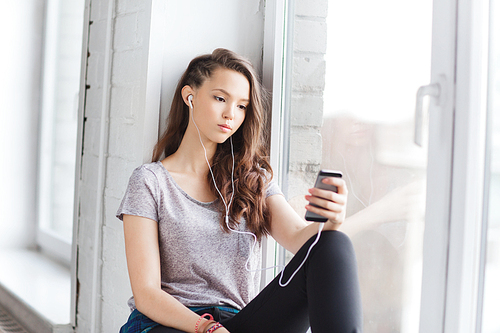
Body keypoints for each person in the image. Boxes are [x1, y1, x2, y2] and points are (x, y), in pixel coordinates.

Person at [117, 48, 362, 333]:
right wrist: (207, 328)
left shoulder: (252, 180)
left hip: (237, 322)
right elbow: (147, 294)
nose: (230, 114)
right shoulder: (150, 181)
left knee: (334, 244)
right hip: (168, 324)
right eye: (220, 98)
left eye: (242, 106)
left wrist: (332, 221)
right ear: (190, 96)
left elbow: (300, 239)